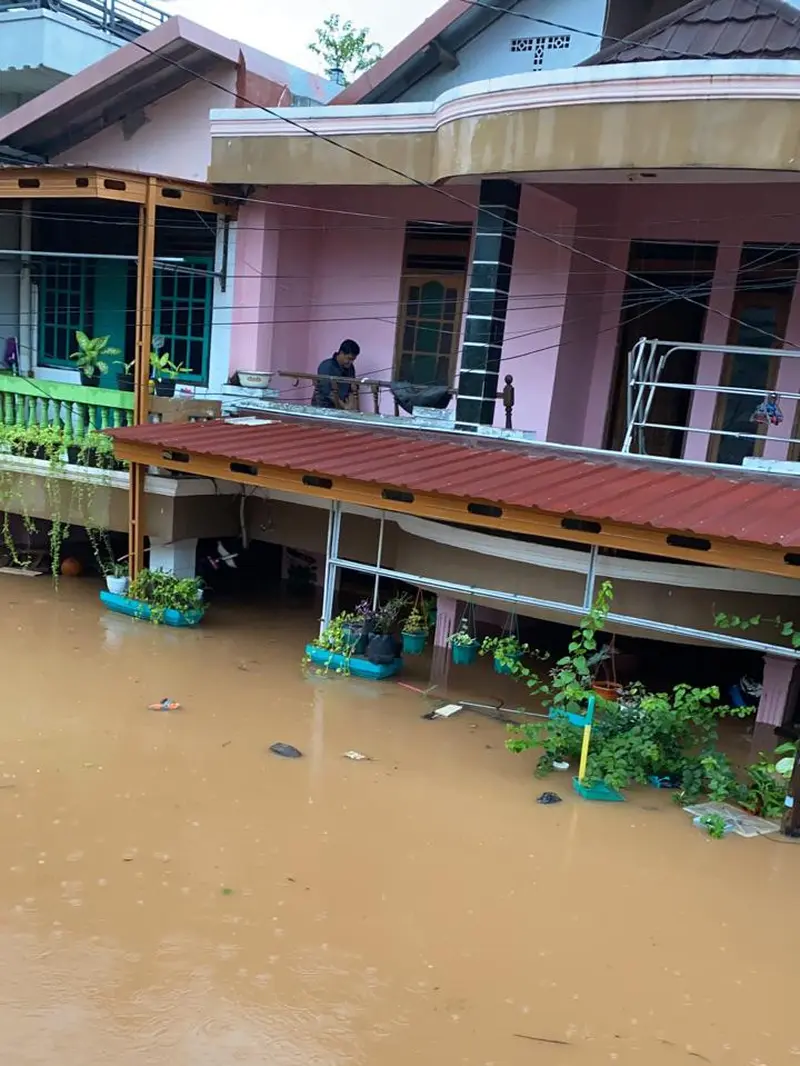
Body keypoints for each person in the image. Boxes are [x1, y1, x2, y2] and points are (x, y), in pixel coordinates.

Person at [312, 339, 360, 409]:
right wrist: (345, 406)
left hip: (340, 406)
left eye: (353, 360)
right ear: (341, 353)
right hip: (322, 407)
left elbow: (351, 388)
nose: (351, 362)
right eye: (349, 359)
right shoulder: (327, 366)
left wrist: (351, 405)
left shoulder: (350, 367)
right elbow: (328, 392)